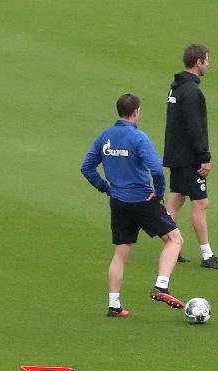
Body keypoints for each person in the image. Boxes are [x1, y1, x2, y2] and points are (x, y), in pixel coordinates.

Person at [81, 93, 186, 317]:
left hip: (118, 202)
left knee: (120, 253)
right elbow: (156, 170)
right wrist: (159, 193)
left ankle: (114, 305)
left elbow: (87, 167)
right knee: (175, 239)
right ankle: (161, 286)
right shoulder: (138, 138)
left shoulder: (105, 136)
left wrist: (106, 188)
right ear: (136, 111)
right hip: (142, 200)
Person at [164, 44, 218, 270]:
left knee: (177, 198)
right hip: (189, 157)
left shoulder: (176, 88)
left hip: (176, 153)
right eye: (207, 60)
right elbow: (194, 127)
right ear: (198, 61)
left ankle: (171, 245)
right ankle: (207, 255)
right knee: (200, 203)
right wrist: (204, 156)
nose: (208, 64)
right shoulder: (192, 91)